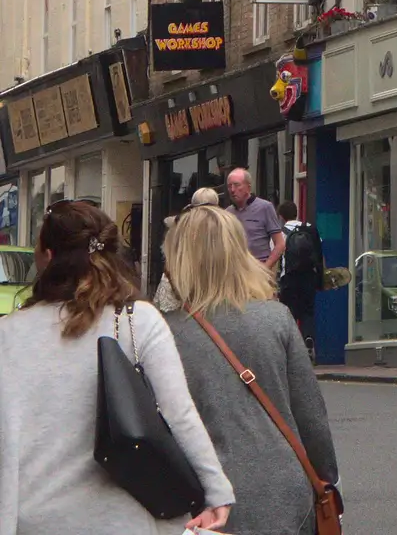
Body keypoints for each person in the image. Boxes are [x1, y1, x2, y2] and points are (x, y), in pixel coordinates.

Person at [0, 198, 233, 534]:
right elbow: (178, 413)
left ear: (48, 257)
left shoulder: (9, 334)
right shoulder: (139, 320)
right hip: (120, 521)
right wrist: (216, 491)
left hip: (35, 522)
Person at [163, 206, 338, 535]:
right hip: (282, 495)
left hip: (202, 504)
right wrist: (326, 479)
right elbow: (310, 416)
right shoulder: (276, 319)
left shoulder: (163, 333)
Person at [276, 200, 324, 357]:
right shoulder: (310, 229)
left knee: (289, 315)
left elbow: (275, 254)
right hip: (309, 277)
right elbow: (319, 253)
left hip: (289, 279)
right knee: (307, 313)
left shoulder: (281, 232)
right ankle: (308, 338)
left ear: (281, 216)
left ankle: (292, 351)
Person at [224, 169, 285, 270]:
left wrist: (266, 268)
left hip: (259, 269)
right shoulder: (227, 213)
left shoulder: (265, 207)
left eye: (236, 185)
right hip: (235, 273)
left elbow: (280, 244)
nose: (232, 189)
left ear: (248, 187)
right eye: (229, 186)